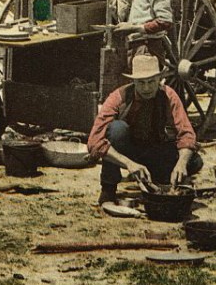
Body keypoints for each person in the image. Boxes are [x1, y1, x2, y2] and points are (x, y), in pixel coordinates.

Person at [87, 55, 203, 204]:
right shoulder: (118, 97)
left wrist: (181, 162)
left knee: (193, 160)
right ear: (133, 81)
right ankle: (108, 189)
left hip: (153, 149)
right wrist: (128, 163)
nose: (147, 88)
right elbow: (94, 142)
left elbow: (186, 134)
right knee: (117, 130)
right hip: (128, 151)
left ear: (159, 79)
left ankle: (156, 180)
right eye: (141, 83)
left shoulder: (169, 96)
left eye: (151, 82)